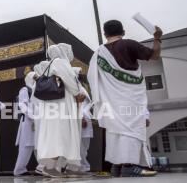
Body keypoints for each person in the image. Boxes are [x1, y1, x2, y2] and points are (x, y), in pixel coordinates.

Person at [88, 20, 162, 177]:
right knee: (131, 129)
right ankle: (129, 166)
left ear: (105, 34)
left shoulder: (98, 53)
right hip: (130, 98)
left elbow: (93, 79)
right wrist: (157, 38)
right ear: (123, 31)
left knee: (116, 131)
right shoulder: (129, 44)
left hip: (111, 100)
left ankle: (118, 166)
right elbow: (155, 55)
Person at [35, 44, 87, 178]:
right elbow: (69, 80)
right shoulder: (60, 63)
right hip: (61, 105)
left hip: (55, 106)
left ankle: (68, 167)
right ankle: (49, 168)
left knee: (61, 135)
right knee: (60, 134)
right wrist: (77, 94)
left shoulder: (51, 64)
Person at [13, 71, 37, 176]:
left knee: (38, 146)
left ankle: (42, 168)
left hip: (37, 121)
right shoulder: (25, 90)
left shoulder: (37, 90)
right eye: (34, 78)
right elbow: (23, 106)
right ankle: (19, 170)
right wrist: (32, 116)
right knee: (26, 146)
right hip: (27, 121)